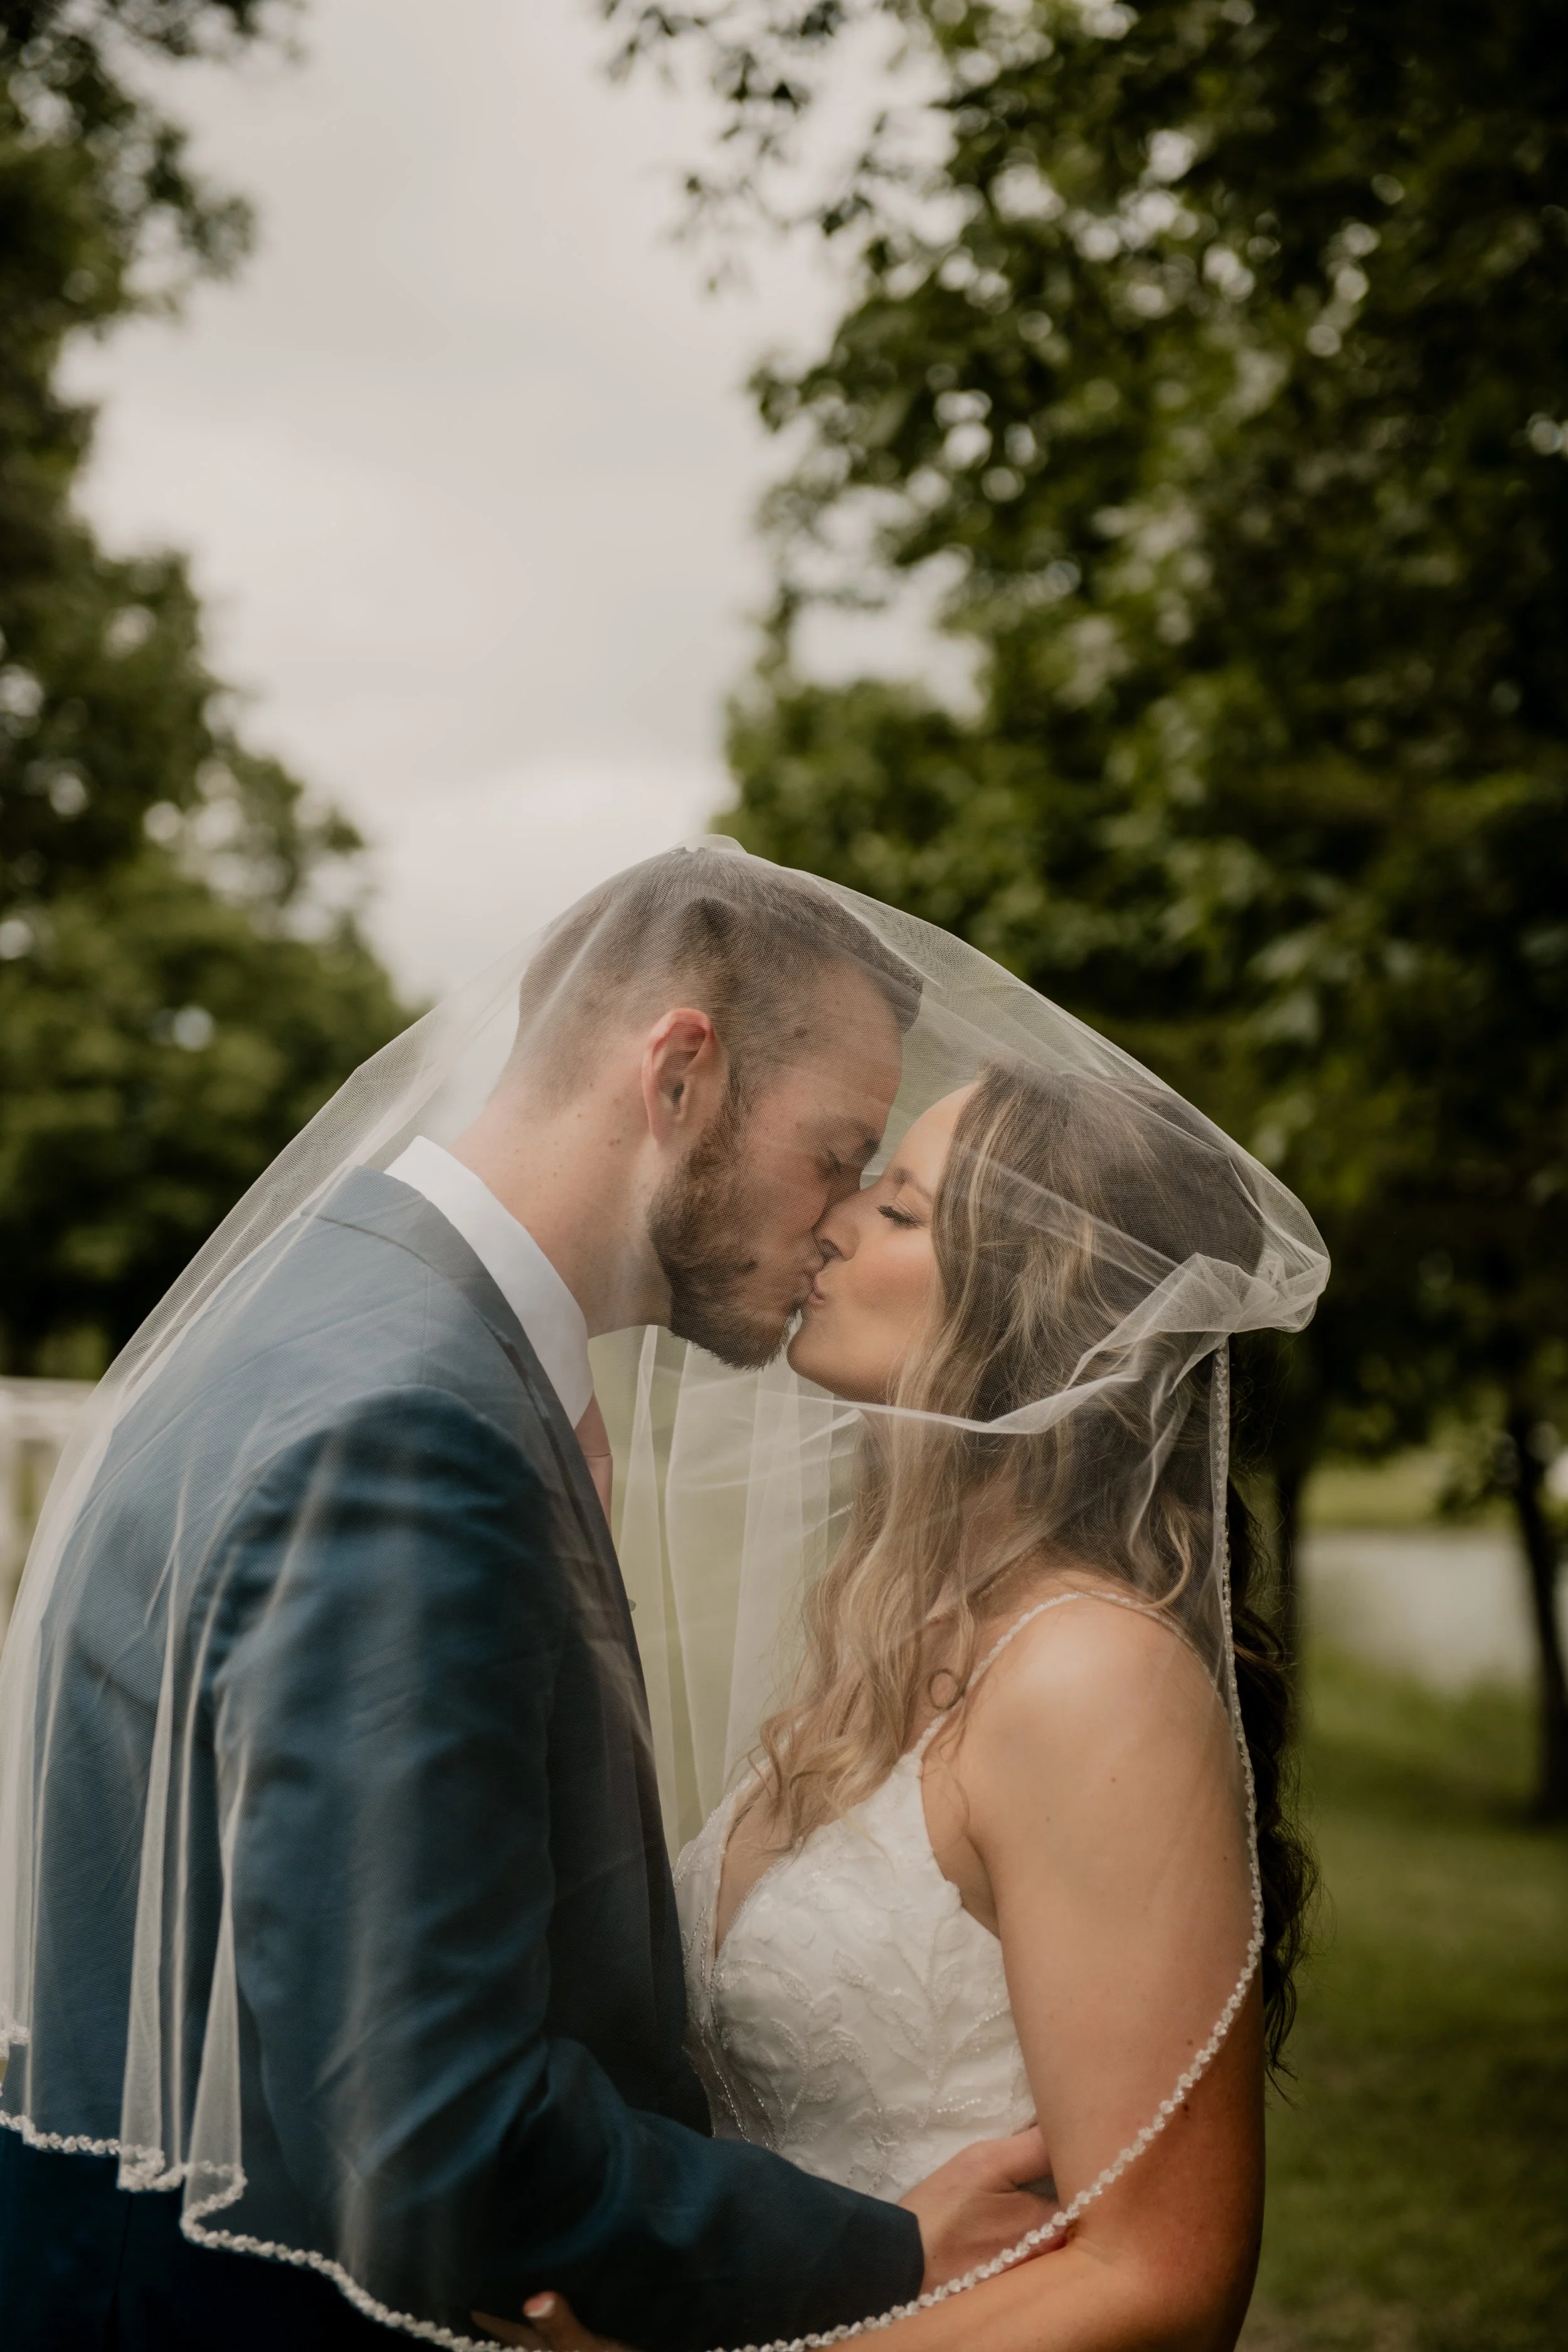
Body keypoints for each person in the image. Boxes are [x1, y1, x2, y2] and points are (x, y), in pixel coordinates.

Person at [0, 850, 1054, 2351]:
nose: (836, 1224)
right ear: (679, 1072)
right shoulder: (415, 1430)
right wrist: (876, 2255)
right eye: (835, 1153)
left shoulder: (335, 1311)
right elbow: (437, 2124)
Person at [497, 1054, 1326, 2352]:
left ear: (1034, 1308)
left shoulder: (1086, 1674)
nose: (825, 1224)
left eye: (894, 1209)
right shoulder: (910, 1632)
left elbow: (1158, 2277)